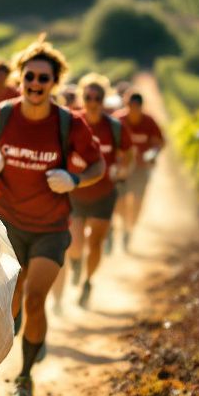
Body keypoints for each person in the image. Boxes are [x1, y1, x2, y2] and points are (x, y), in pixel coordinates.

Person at [0, 36, 105, 396]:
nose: (36, 84)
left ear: (54, 83)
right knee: (13, 298)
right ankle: (21, 333)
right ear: (21, 78)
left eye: (44, 79)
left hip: (51, 228)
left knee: (36, 298)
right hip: (6, 223)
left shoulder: (69, 124)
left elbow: (97, 165)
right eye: (30, 76)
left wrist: (74, 179)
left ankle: (24, 379)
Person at [67, 75, 134, 308]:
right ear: (81, 98)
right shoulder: (72, 123)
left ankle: (88, 281)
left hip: (104, 194)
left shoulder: (114, 127)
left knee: (95, 244)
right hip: (75, 193)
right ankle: (76, 264)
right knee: (74, 244)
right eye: (88, 97)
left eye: (98, 97)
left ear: (104, 99)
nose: (93, 101)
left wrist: (123, 169)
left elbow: (128, 151)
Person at [117, 91, 165, 250]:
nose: (134, 109)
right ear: (127, 105)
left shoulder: (149, 122)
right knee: (121, 201)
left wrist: (153, 153)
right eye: (131, 106)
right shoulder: (119, 120)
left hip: (140, 169)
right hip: (123, 168)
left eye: (137, 106)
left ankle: (130, 229)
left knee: (137, 202)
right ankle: (122, 226)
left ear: (141, 107)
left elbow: (160, 142)